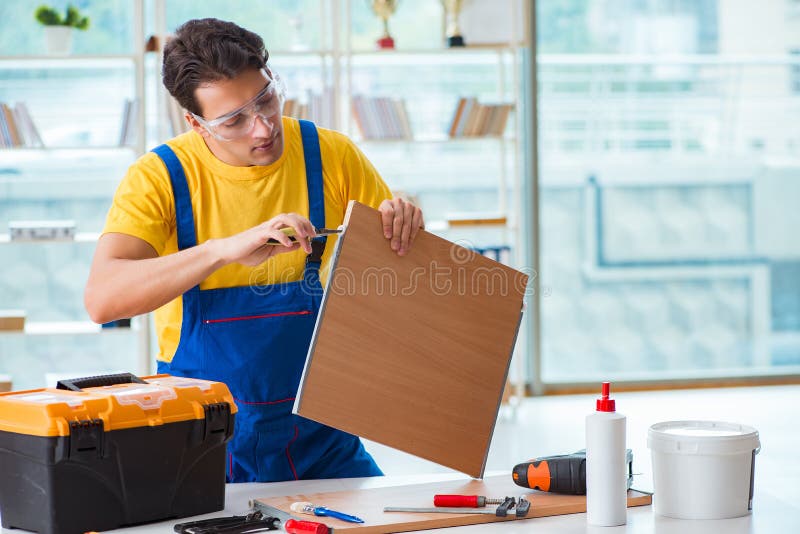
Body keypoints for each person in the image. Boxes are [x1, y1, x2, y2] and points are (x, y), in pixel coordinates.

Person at [84, 18, 423, 483]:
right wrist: (221, 251)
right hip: (202, 445)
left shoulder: (331, 156)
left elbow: (401, 279)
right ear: (196, 123)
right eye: (233, 120)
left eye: (265, 98)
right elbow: (103, 299)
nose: (262, 128)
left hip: (322, 438)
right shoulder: (160, 176)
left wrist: (403, 223)